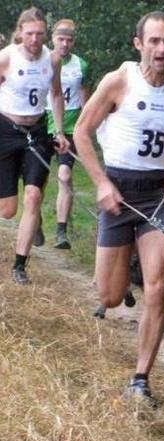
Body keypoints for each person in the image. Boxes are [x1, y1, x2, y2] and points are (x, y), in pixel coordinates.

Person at [73, 10, 164, 405]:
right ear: (139, 44)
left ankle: (141, 379)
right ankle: (123, 265)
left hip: (156, 196)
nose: (162, 49)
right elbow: (81, 132)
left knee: (158, 287)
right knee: (109, 296)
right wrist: (102, 184)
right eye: (154, 41)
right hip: (118, 191)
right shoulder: (119, 81)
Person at [0, 7, 69, 284]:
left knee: (34, 196)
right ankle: (31, 220)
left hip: (38, 132)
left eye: (40, 33)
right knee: (7, 210)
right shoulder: (6, 57)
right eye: (30, 33)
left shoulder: (52, 60)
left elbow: (55, 94)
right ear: (20, 33)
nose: (35, 39)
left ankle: (19, 266)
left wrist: (60, 131)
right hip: (6, 130)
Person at [45, 18, 91, 249]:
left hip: (71, 127)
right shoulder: (42, 60)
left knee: (64, 175)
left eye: (69, 40)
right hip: (42, 123)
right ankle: (35, 222)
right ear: (53, 38)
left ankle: (61, 231)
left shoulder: (81, 65)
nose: (64, 44)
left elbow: (85, 100)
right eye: (60, 39)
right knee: (40, 179)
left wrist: (88, 126)